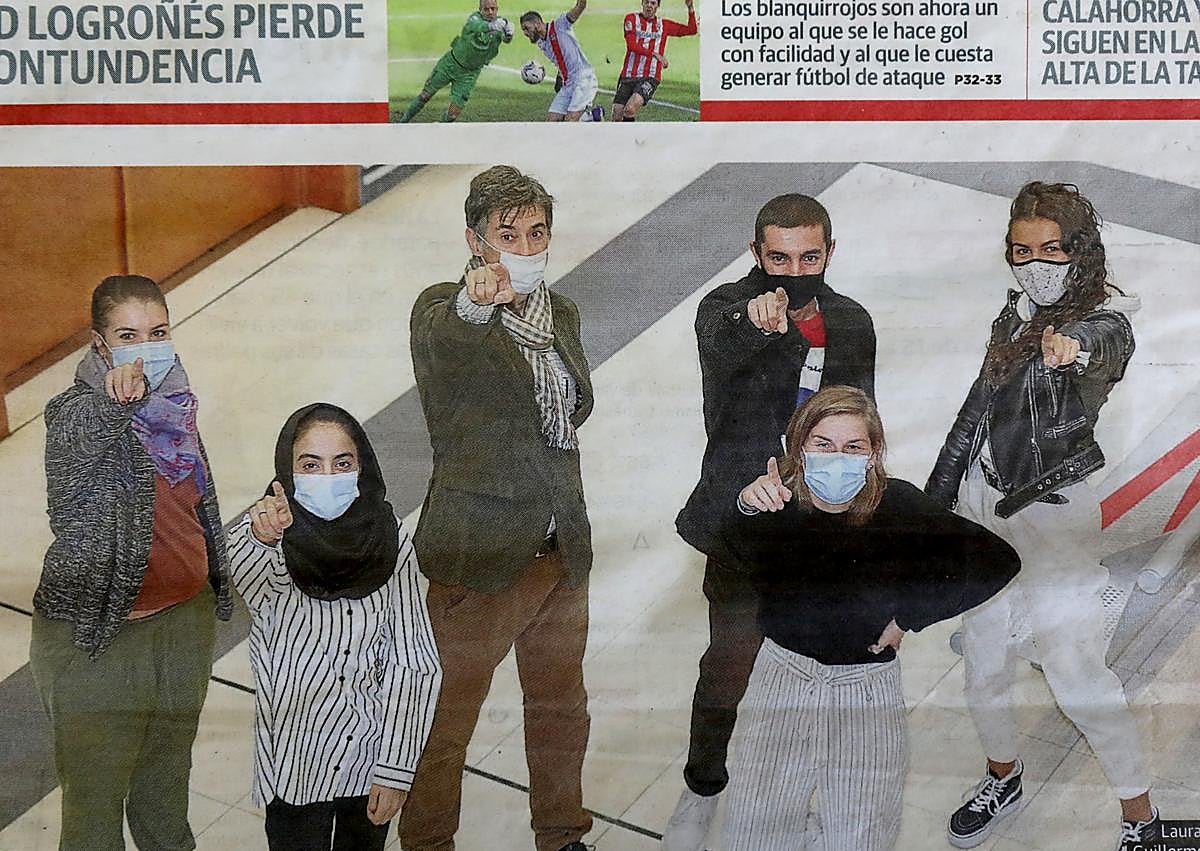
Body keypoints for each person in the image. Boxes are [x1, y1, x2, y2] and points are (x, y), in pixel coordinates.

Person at [924, 181, 1159, 849]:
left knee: (1077, 674)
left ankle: (1141, 816)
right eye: (1022, 250)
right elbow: (976, 409)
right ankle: (1004, 775)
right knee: (983, 661)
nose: (1036, 263)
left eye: (1052, 249)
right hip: (983, 503)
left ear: (1080, 252)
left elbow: (1100, 344)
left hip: (1051, 515)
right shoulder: (1014, 314)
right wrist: (936, 501)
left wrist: (1070, 347)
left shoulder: (1105, 321)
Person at [719, 385, 1019, 850]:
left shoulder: (897, 505)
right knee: (756, 827)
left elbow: (996, 560)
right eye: (823, 444)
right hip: (782, 678)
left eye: (852, 447)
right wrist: (745, 505)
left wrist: (910, 616)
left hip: (864, 689)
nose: (836, 457)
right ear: (798, 446)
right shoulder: (776, 503)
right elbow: (729, 549)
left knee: (860, 832)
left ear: (872, 453)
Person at [665, 193, 876, 850]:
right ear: (756, 253)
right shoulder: (725, 310)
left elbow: (863, 425)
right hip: (742, 532)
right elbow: (723, 338)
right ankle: (703, 785)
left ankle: (804, 799)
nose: (793, 269)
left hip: (823, 533)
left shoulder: (853, 322)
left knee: (821, 676)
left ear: (829, 252)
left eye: (808, 256)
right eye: (778, 257)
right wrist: (762, 322)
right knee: (729, 663)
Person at [399, 165, 595, 851]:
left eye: (536, 231)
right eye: (507, 233)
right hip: (479, 560)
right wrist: (477, 303)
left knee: (561, 710)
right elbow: (447, 339)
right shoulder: (443, 309)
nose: (525, 244)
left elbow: (577, 402)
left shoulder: (559, 312)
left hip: (558, 551)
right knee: (443, 724)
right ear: (475, 242)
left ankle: (563, 834)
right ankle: (427, 844)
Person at [29, 274, 233, 851]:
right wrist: (116, 402)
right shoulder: (75, 413)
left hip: (182, 625)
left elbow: (192, 510)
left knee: (166, 783)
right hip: (100, 639)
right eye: (128, 335)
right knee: (94, 806)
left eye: (158, 331)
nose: (147, 347)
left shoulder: (175, 406)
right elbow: (77, 444)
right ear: (100, 345)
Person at [227, 403, 442, 851]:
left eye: (341, 464)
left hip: (370, 757)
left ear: (361, 467)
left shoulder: (390, 537)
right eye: (310, 465)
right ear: (286, 471)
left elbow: (415, 661)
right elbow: (249, 574)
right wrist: (264, 538)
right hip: (294, 766)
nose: (327, 478)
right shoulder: (268, 534)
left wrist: (397, 768)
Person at [396, 0, 515, 123]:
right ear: (480, 10)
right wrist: (491, 26)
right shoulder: (474, 19)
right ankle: (402, 123)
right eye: (486, 9)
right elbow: (477, 27)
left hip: (469, 74)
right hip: (450, 64)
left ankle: (441, 129)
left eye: (493, 8)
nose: (490, 12)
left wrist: (509, 34)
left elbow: (505, 39)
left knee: (453, 113)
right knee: (425, 95)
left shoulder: (501, 23)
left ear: (497, 9)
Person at [611, 0, 697, 122]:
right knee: (617, 115)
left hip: (650, 76)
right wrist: (654, 54)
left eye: (653, 3)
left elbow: (691, 30)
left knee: (630, 109)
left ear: (658, 6)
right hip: (628, 75)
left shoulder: (663, 25)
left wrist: (690, 9)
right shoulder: (631, 19)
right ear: (642, 3)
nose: (649, 6)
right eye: (647, 2)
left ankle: (629, 139)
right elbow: (631, 45)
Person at [520, 1, 598, 121]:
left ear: (537, 23)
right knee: (551, 122)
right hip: (568, 83)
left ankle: (591, 116)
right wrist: (559, 76)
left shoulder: (560, 24)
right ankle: (590, 116)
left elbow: (580, 7)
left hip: (583, 79)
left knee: (570, 120)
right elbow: (560, 59)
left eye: (526, 28)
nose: (525, 33)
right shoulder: (541, 43)